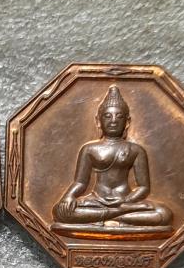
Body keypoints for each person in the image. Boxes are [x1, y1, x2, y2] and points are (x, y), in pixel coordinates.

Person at [52, 85, 172, 231]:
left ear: (127, 122)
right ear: (98, 121)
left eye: (119, 116)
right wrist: (68, 196)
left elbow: (144, 187)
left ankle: (105, 218)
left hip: (125, 201)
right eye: (107, 116)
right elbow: (80, 182)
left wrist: (127, 200)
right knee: (60, 211)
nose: (114, 120)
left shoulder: (136, 150)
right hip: (96, 201)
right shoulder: (89, 149)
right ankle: (117, 217)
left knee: (164, 213)